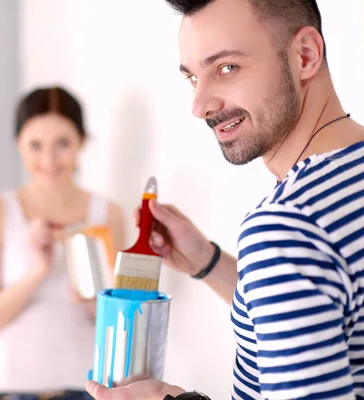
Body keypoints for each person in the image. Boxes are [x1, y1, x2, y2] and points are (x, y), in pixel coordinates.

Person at [85, 0, 364, 399]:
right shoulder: (321, 212)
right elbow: (317, 305)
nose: (200, 106)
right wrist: (207, 261)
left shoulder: (288, 226)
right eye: (193, 78)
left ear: (305, 56)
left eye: (226, 68)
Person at [0, 86, 127, 400]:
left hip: (92, 390)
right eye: (35, 145)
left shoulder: (107, 214)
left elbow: (124, 321)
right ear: (18, 145)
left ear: (82, 141)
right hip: (15, 389)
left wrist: (93, 304)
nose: (49, 160)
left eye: (63, 144)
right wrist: (39, 270)